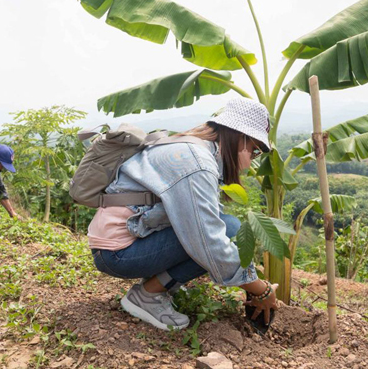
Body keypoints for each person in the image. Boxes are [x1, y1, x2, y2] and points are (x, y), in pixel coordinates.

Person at [88, 98, 278, 331]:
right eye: (255, 151)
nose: (250, 163)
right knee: (226, 232)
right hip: (117, 253)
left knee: (225, 226)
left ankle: (156, 285)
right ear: (241, 138)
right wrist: (261, 288)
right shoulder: (198, 163)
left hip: (122, 240)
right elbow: (209, 243)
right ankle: (147, 296)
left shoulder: (191, 146)